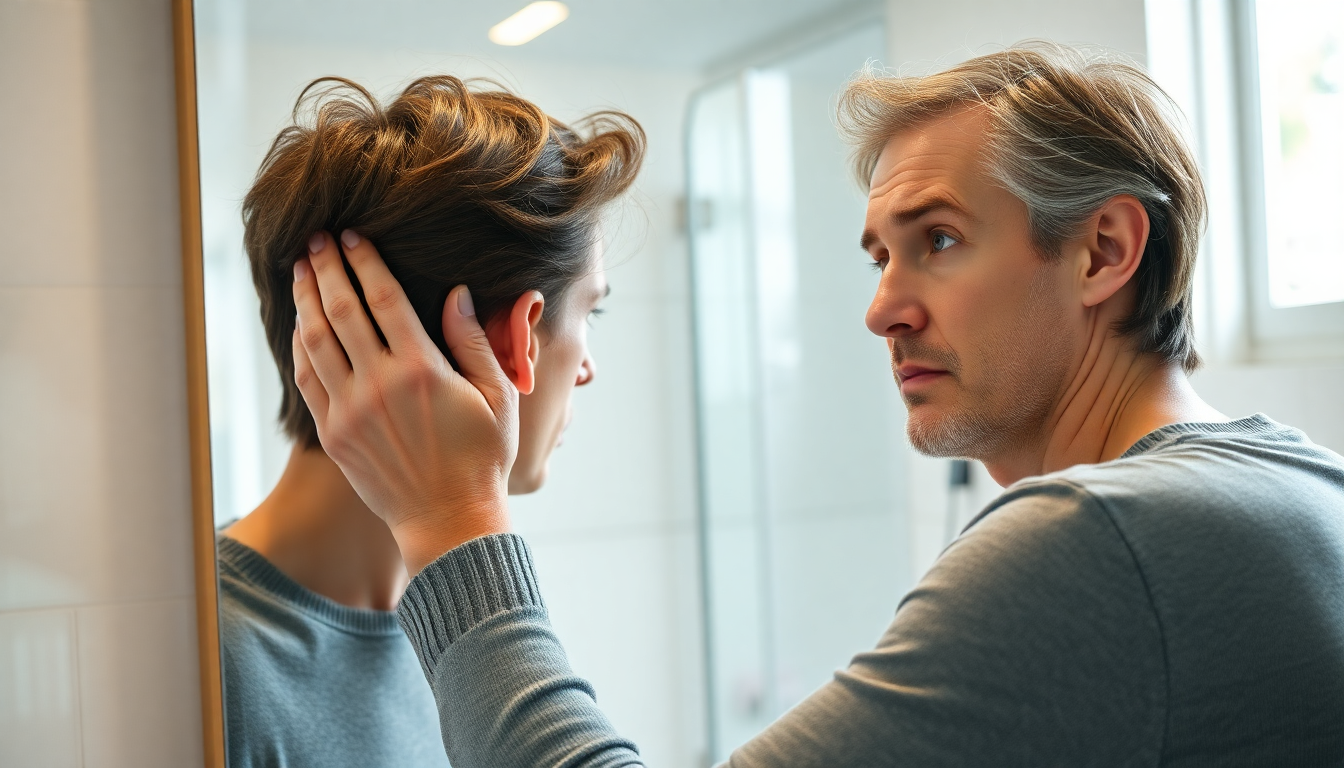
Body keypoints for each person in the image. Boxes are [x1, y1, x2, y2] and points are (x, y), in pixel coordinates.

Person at [291, 45, 1344, 766]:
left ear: (1104, 251)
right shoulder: (1296, 481)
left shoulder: (1103, 542)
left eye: (937, 240)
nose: (883, 308)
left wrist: (452, 522)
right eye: (880, 255)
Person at [217, 74, 643, 767]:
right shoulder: (207, 672)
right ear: (519, 339)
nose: (588, 367)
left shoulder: (469, 638)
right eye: (589, 312)